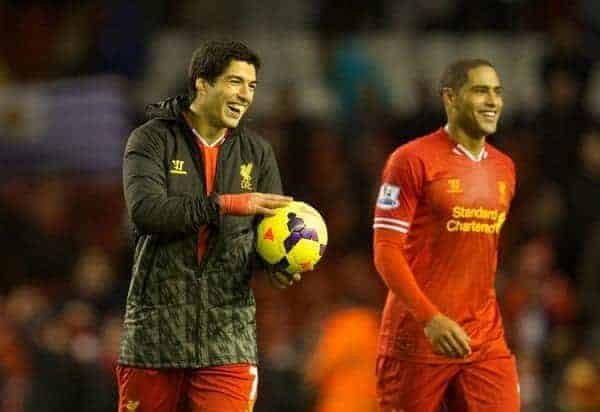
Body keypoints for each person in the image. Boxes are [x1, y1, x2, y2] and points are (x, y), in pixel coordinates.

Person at [117, 40, 298, 412]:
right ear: (202, 83)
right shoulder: (151, 139)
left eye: (251, 86)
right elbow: (147, 212)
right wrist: (226, 205)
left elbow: (267, 234)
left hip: (227, 340)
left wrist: (278, 263)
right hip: (154, 338)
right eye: (235, 82)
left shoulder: (258, 153)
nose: (245, 95)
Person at [372, 59, 519, 412]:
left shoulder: (505, 168)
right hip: (418, 339)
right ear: (451, 98)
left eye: (497, 92)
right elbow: (386, 252)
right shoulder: (410, 160)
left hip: (484, 340)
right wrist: (430, 319)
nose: (492, 101)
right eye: (481, 91)